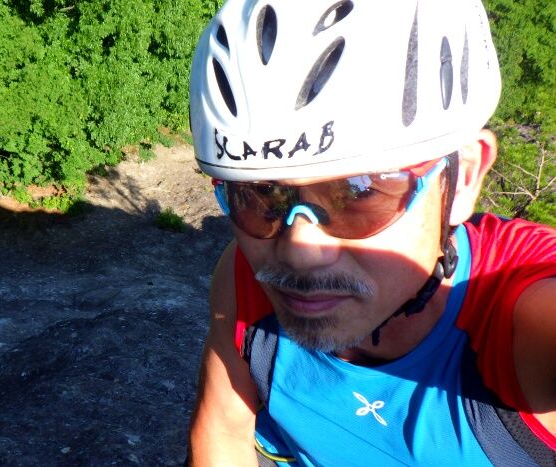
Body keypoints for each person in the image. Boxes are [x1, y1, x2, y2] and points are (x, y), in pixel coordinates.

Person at [186, 0, 556, 465]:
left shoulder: (525, 317)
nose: (300, 251)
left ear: (462, 179)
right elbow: (222, 432)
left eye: (360, 191)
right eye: (260, 194)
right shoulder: (244, 277)